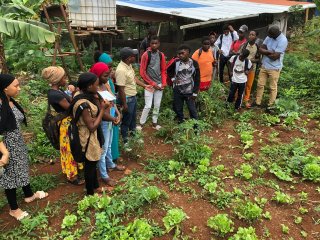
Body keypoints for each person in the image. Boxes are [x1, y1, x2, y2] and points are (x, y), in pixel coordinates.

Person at [0, 74, 48, 220]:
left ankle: (29, 195)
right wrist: (5, 153)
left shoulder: (10, 101)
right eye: (16, 86)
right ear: (5, 88)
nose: (19, 88)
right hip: (6, 146)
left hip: (17, 143)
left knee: (21, 167)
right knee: (10, 176)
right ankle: (13, 209)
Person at [42, 66, 84, 185]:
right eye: (64, 77)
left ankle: (75, 169)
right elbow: (71, 108)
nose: (65, 79)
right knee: (68, 149)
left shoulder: (57, 91)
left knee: (73, 146)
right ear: (58, 79)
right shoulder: (56, 95)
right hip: (66, 124)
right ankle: (71, 176)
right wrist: (76, 95)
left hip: (67, 122)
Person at [69, 72, 107, 195]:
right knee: (90, 166)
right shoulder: (83, 104)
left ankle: (95, 186)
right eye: (96, 85)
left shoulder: (83, 96)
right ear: (89, 86)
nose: (98, 87)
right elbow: (91, 126)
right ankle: (90, 193)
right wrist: (102, 109)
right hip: (87, 136)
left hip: (91, 135)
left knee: (93, 163)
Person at [89, 62, 125, 187]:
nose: (108, 77)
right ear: (97, 75)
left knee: (109, 145)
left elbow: (112, 102)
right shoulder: (94, 90)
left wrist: (117, 114)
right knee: (103, 149)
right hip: (103, 122)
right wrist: (113, 118)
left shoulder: (105, 85)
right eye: (105, 75)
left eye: (109, 74)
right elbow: (101, 111)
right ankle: (104, 175)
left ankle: (111, 164)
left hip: (110, 119)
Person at [115, 47, 153, 146]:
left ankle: (133, 136)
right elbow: (121, 89)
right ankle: (125, 141)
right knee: (126, 121)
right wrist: (124, 104)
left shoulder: (129, 65)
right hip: (127, 99)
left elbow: (134, 78)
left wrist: (144, 85)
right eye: (133, 56)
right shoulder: (121, 70)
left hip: (133, 97)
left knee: (133, 119)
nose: (135, 57)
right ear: (128, 58)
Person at [93, 51, 122, 164]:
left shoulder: (107, 81)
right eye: (108, 67)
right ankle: (104, 167)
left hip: (112, 113)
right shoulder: (98, 83)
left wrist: (117, 113)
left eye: (110, 66)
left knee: (111, 141)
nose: (110, 70)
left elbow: (112, 99)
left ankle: (111, 161)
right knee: (105, 143)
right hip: (105, 116)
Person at [253, 25, 288, 109]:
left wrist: (265, 52)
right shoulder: (269, 36)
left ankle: (271, 106)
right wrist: (270, 52)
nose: (268, 36)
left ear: (275, 34)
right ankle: (257, 103)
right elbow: (261, 49)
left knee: (272, 87)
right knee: (260, 85)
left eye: (270, 35)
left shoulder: (283, 40)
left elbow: (275, 57)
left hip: (274, 68)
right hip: (264, 65)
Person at [138, 36, 167, 130]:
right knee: (148, 105)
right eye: (152, 43)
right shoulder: (146, 55)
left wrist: (163, 83)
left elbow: (163, 70)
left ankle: (155, 122)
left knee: (157, 105)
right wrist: (153, 84)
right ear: (149, 44)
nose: (154, 45)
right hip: (149, 84)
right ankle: (141, 123)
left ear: (159, 44)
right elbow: (142, 72)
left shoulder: (161, 55)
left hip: (159, 83)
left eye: (156, 43)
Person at [167, 45, 200, 123]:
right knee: (178, 109)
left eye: (182, 53)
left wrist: (195, 93)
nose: (180, 55)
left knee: (192, 110)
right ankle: (181, 123)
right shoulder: (176, 62)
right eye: (179, 54)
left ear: (188, 53)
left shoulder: (194, 63)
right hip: (178, 90)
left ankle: (195, 127)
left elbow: (197, 78)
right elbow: (169, 70)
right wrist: (173, 79)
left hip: (189, 91)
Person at [240, 30, 260, 108]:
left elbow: (258, 59)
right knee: (241, 83)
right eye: (250, 34)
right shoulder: (244, 45)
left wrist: (251, 60)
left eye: (253, 35)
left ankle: (246, 100)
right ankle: (238, 99)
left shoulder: (257, 47)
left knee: (249, 85)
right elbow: (240, 55)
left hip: (252, 69)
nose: (251, 36)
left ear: (256, 37)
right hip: (242, 68)